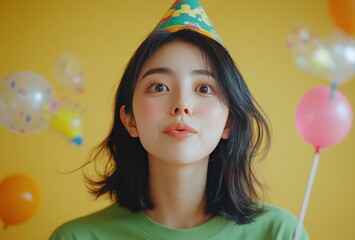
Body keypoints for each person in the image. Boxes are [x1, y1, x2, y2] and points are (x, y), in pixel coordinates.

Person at [50, 0, 309, 239]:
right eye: (159, 87)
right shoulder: (75, 237)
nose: (182, 106)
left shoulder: (281, 233)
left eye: (204, 88)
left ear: (229, 122)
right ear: (129, 120)